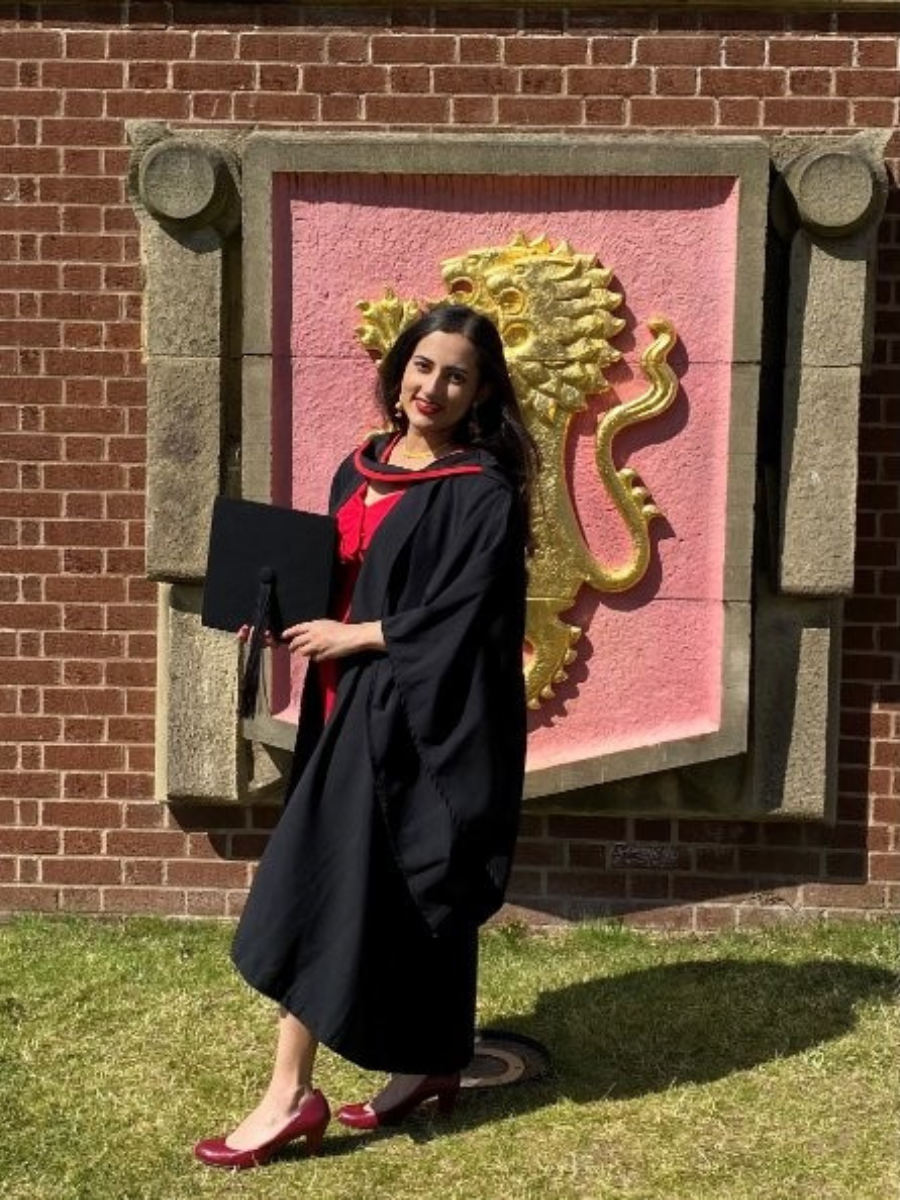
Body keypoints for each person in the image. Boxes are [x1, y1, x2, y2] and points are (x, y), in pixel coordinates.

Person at [194, 304, 537, 1170]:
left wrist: (365, 636)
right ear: (399, 369)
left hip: (418, 716)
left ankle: (288, 1093)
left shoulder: (481, 492)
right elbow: (337, 577)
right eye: (423, 367)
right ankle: (429, 1060)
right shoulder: (363, 468)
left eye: (457, 374)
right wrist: (271, 612)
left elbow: (471, 615)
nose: (434, 387)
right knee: (400, 882)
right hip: (347, 702)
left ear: (482, 389)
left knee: (324, 877)